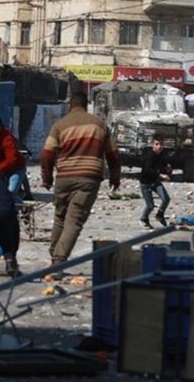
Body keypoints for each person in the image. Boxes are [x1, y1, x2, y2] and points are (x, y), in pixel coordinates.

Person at [41, 92, 120, 274]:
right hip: (89, 177)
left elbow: (47, 153)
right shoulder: (99, 125)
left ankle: (54, 256)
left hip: (64, 177)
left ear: (70, 106)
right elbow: (113, 154)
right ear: (86, 105)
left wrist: (47, 178)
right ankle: (59, 261)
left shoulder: (59, 125)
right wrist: (115, 177)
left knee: (60, 217)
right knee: (74, 220)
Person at [139, 135, 171, 229]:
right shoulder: (149, 156)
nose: (159, 146)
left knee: (166, 199)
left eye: (161, 144)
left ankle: (160, 215)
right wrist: (161, 175)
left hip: (155, 182)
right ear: (153, 145)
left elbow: (163, 166)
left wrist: (167, 169)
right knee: (150, 205)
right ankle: (143, 219)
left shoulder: (161, 155)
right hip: (146, 183)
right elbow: (148, 170)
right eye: (157, 144)